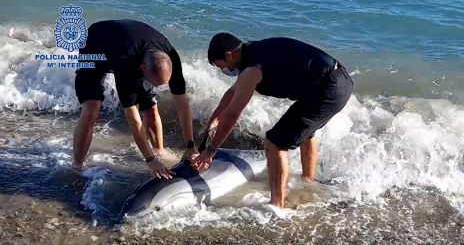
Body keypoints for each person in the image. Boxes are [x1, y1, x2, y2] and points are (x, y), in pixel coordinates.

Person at [191, 33, 353, 207]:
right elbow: (232, 93)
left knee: (274, 143)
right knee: (305, 133)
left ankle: (277, 205)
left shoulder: (251, 69)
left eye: (220, 66)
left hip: (327, 89)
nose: (223, 71)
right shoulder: (253, 54)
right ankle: (308, 182)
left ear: (229, 55)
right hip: (339, 80)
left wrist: (211, 149)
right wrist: (213, 119)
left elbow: (232, 115)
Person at [73, 19, 199, 179]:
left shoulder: (171, 56)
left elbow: (182, 104)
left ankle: (159, 152)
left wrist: (190, 145)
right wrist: (150, 160)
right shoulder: (125, 63)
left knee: (151, 109)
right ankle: (77, 167)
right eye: (155, 83)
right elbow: (133, 118)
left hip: (130, 45)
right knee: (91, 109)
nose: (158, 88)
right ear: (143, 68)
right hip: (95, 44)